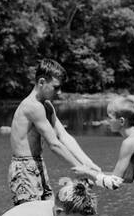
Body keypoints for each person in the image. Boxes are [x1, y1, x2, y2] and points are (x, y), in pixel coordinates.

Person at [7, 59, 112, 204]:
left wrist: (88, 163)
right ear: (42, 82)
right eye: (56, 87)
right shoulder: (32, 106)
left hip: (37, 164)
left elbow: (64, 136)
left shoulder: (47, 106)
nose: (60, 92)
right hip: (24, 168)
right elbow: (54, 144)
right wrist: (81, 169)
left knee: (49, 213)